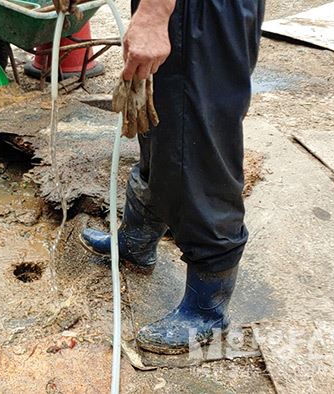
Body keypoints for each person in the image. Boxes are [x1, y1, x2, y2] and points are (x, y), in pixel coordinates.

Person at [79, 0, 266, 354]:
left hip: (200, 14)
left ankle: (207, 309)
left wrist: (153, 13)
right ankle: (136, 241)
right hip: (183, 11)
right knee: (163, 135)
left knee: (196, 153)